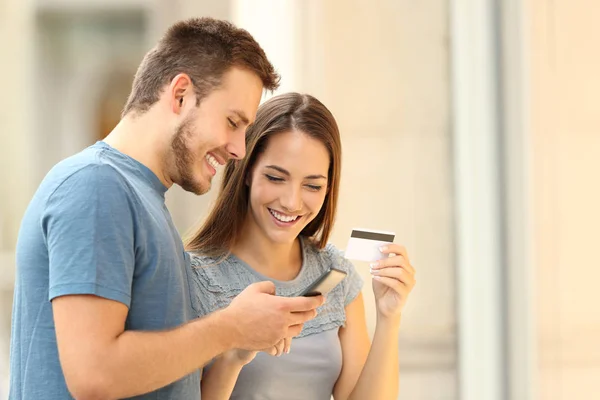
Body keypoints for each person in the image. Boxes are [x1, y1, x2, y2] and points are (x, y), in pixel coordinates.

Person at [9, 18, 323, 400]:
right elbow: (95, 375)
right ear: (180, 95)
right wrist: (229, 327)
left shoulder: (142, 199)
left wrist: (232, 352)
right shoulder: (97, 187)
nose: (239, 149)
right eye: (232, 121)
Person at [185, 92, 417, 400]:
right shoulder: (195, 277)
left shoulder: (336, 275)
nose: (292, 202)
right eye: (276, 178)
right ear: (247, 172)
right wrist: (233, 352)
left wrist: (390, 317)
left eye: (312, 185)